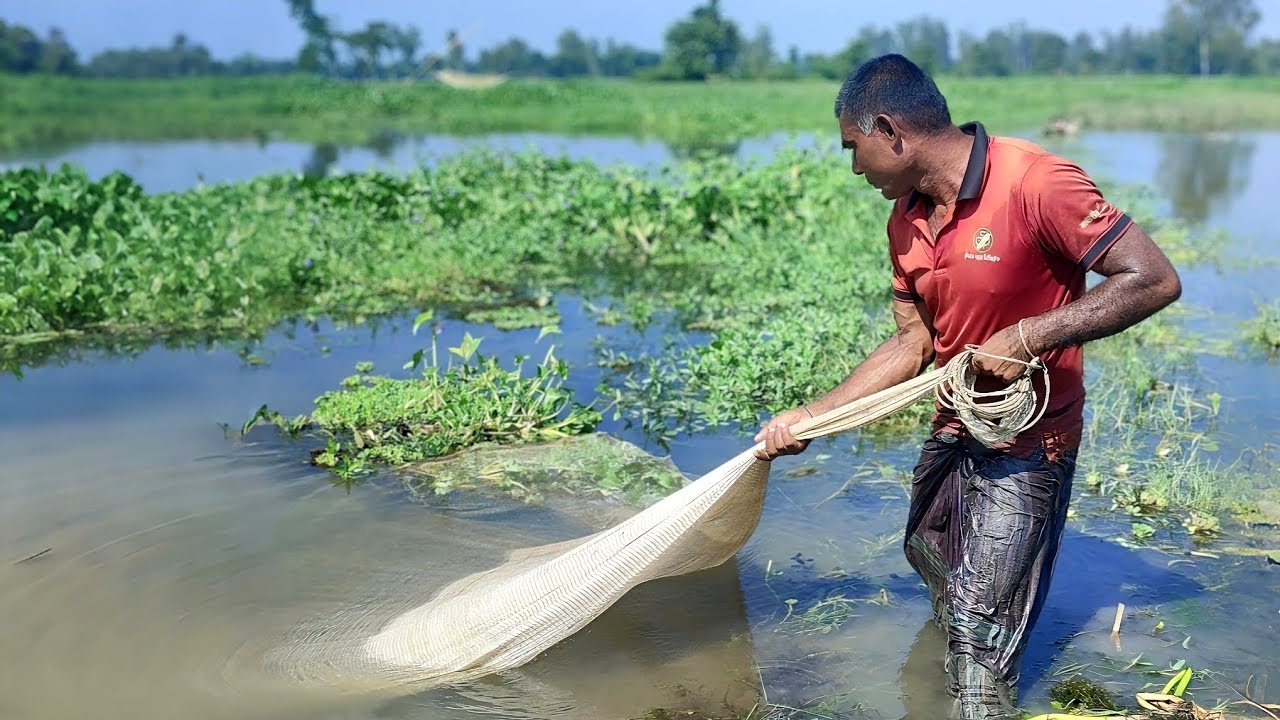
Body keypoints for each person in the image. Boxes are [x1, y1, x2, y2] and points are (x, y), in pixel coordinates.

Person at [752, 54, 1182, 719]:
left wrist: (1029, 335)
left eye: (853, 148)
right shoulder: (906, 220)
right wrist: (810, 418)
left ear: (890, 130)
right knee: (927, 554)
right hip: (955, 427)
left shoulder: (1037, 182)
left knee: (977, 651)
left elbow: (1153, 279)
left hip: (1030, 441)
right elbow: (913, 344)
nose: (855, 167)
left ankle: (979, 680)